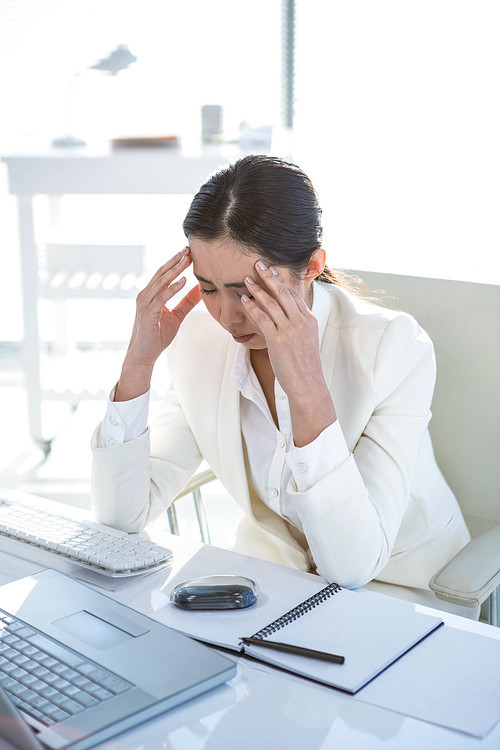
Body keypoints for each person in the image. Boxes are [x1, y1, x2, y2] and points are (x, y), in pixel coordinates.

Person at [91, 154, 470, 591]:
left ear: (311, 267)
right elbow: (121, 518)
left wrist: (306, 386)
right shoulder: (198, 339)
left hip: (402, 583)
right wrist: (138, 365)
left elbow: (352, 566)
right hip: (272, 578)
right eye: (209, 288)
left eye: (248, 292)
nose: (228, 317)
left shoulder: (393, 347)